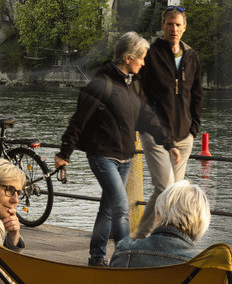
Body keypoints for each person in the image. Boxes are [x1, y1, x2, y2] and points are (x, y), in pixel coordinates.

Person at [54, 32, 178, 267]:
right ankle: (126, 258)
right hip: (102, 156)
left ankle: (96, 257)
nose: (144, 63)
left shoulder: (134, 84)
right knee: (120, 207)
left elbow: (148, 117)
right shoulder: (101, 83)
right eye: (141, 58)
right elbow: (79, 119)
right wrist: (64, 153)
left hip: (125, 157)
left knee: (108, 208)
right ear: (128, 57)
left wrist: (168, 142)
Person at [133, 7, 203, 238]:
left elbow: (197, 94)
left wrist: (193, 130)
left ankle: (152, 237)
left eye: (178, 24)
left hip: (183, 136)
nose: (174, 29)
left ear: (185, 27)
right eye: (170, 24)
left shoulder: (191, 56)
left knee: (171, 193)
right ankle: (144, 238)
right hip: (155, 134)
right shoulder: (150, 54)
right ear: (162, 25)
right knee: (166, 188)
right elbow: (139, 93)